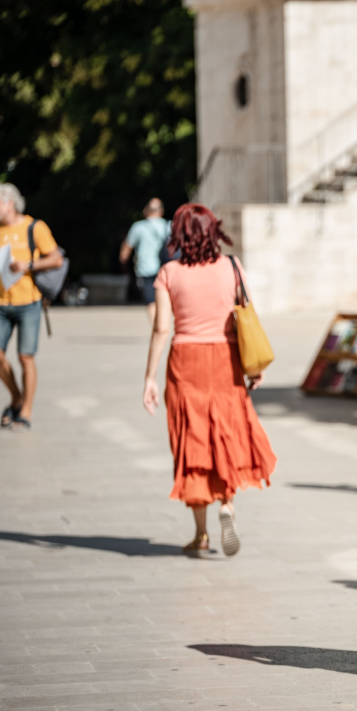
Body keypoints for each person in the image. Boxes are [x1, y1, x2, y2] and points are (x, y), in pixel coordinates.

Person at [142, 203, 277, 555]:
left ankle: (200, 534)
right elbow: (247, 315)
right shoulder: (231, 267)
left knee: (194, 441)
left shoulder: (168, 273)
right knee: (226, 433)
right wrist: (254, 365)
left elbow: (161, 328)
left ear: (179, 235)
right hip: (226, 358)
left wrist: (149, 378)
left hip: (185, 361)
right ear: (212, 231)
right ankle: (227, 506)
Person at [0, 183, 64, 430]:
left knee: (26, 357)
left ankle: (25, 410)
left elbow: (56, 258)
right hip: (0, 304)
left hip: (29, 302)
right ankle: (16, 396)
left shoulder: (34, 227)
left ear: (10, 203)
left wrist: (28, 265)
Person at [121, 198, 171, 326]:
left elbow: (125, 252)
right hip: (166, 268)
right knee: (166, 299)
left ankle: (158, 328)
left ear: (147, 210)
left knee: (151, 302)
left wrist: (124, 264)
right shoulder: (170, 226)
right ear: (162, 211)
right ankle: (164, 326)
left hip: (146, 269)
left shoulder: (138, 227)